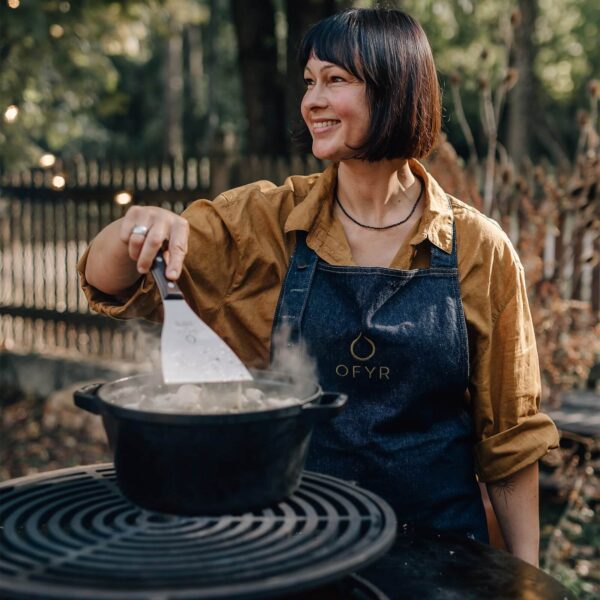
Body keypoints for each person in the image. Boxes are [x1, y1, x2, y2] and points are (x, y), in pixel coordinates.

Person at [79, 8, 559, 565]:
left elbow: (508, 440)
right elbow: (107, 282)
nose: (311, 101)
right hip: (292, 549)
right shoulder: (260, 219)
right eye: (309, 81)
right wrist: (134, 228)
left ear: (397, 90)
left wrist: (525, 579)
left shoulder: (480, 248)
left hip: (440, 559)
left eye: (335, 80)